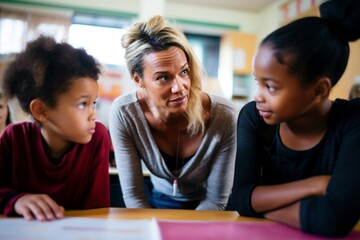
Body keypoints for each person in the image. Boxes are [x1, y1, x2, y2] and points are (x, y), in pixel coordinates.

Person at [231, 0, 360, 237]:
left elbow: (332, 220)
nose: (257, 96)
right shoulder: (254, 117)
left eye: (270, 86)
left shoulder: (353, 121)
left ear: (319, 90)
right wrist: (316, 185)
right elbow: (240, 196)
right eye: (257, 82)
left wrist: (258, 206)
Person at [109, 15, 237, 210]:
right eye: (163, 78)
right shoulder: (125, 114)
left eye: (184, 72)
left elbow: (217, 199)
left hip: (213, 208)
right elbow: (134, 197)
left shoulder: (224, 116)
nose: (180, 87)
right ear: (138, 80)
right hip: (160, 199)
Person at [0, 36, 111, 221]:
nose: (93, 115)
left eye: (94, 103)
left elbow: (97, 212)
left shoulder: (97, 137)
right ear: (41, 110)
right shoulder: (14, 138)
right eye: (83, 104)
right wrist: (16, 200)